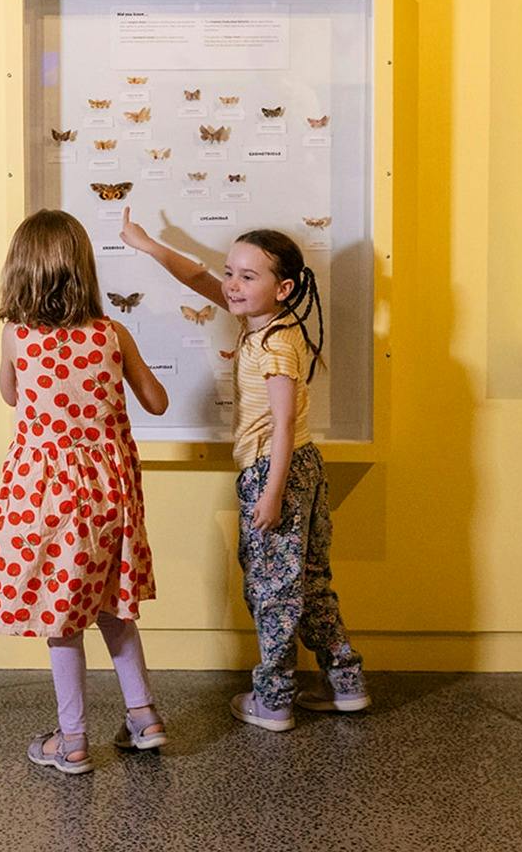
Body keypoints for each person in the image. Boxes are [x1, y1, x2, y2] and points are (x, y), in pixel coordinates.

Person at [119, 208, 369, 730]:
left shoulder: (276, 344)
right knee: (311, 581)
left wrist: (272, 494)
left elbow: (283, 425)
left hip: (275, 471)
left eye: (247, 276)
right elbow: (197, 275)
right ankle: (345, 683)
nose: (231, 284)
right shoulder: (260, 325)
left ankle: (274, 699)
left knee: (272, 588)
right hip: (300, 470)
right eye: (231, 272)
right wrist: (147, 244)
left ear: (283, 288)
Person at [0, 209, 171, 775]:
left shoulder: (18, 336)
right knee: (115, 609)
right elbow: (157, 402)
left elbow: (11, 396)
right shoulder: (113, 334)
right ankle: (144, 717)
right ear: (84, 269)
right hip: (109, 496)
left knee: (60, 617)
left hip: (44, 500)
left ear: (21, 272)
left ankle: (71, 741)